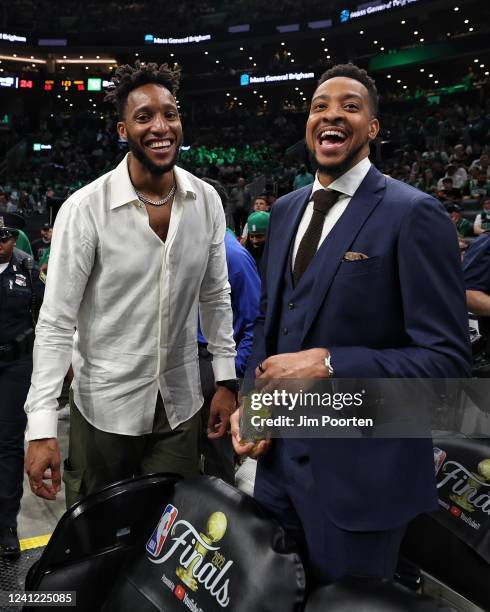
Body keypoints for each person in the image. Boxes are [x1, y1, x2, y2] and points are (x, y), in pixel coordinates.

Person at [231, 63, 471, 587]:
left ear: (373, 128)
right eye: (320, 106)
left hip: (362, 477)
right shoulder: (287, 209)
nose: (331, 114)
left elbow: (449, 363)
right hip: (277, 469)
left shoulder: (414, 213)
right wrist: (254, 401)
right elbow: (271, 321)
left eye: (349, 106)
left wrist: (333, 362)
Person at [24, 62, 237, 508]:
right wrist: (42, 426)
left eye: (170, 114)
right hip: (104, 406)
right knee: (96, 546)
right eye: (144, 117)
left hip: (181, 407)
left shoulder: (207, 201)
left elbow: (215, 296)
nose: (161, 127)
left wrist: (225, 380)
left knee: (166, 546)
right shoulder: (85, 209)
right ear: (123, 129)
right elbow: (56, 323)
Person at [198, 178, 261, 484]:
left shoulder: (233, 255)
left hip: (216, 368)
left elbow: (253, 322)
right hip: (196, 363)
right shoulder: (201, 247)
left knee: (217, 455)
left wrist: (232, 377)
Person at [0, 217, 44, 559]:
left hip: (16, 365)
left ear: (15, 238)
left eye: (6, 236)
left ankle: (6, 524)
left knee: (9, 444)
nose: (0, 243)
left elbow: (46, 318)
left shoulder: (28, 269)